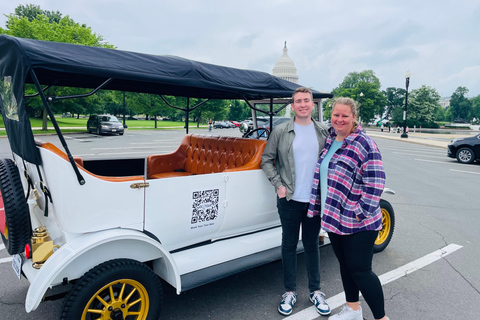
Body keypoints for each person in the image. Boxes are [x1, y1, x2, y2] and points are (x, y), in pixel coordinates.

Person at [308, 97, 389, 320]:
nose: (339, 119)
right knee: (345, 266)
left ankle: (381, 318)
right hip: (334, 218)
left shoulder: (364, 143)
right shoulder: (331, 140)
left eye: (345, 115)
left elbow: (376, 183)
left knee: (361, 271)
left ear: (354, 117)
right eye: (336, 115)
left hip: (358, 222)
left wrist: (359, 212)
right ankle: (352, 310)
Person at [261, 87, 331, 316]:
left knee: (312, 245)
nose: (302, 104)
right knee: (289, 245)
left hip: (314, 200)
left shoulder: (323, 131)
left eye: (306, 101)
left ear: (312, 104)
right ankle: (290, 291)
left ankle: (315, 290)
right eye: (298, 101)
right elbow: (266, 160)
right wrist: (279, 186)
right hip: (290, 198)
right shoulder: (281, 131)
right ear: (292, 106)